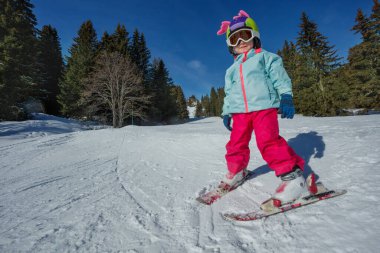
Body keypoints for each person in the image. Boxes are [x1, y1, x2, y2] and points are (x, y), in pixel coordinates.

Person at [216, 10, 314, 208]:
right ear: (230, 45)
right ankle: (237, 171)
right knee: (236, 143)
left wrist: (286, 95)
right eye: (235, 38)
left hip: (264, 107)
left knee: (268, 141)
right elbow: (229, 92)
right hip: (239, 112)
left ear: (255, 36)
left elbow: (280, 78)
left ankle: (293, 177)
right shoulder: (231, 70)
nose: (241, 41)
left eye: (246, 35)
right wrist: (226, 111)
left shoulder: (266, 58)